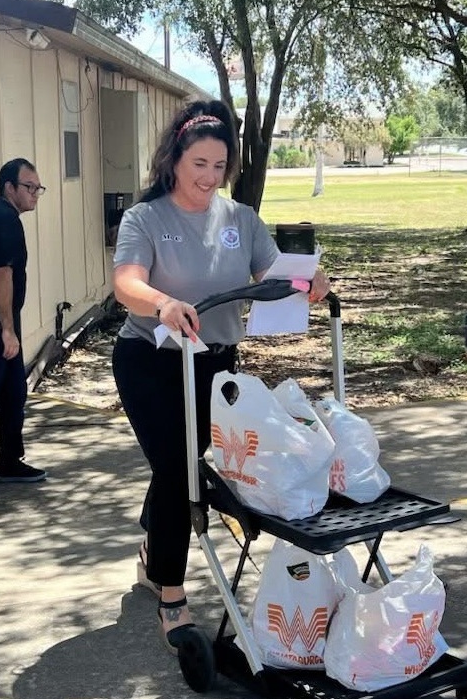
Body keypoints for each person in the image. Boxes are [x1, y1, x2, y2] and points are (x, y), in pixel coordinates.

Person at [111, 100, 330, 652]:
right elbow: (126, 284)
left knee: (177, 465)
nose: (209, 177)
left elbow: (276, 274)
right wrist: (161, 302)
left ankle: (150, 546)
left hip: (213, 363)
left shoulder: (240, 219)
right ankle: (172, 594)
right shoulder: (148, 218)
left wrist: (313, 279)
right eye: (199, 164)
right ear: (174, 160)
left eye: (218, 166)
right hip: (151, 358)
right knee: (179, 470)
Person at [0, 158, 48, 484]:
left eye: (38, 188)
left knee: (13, 392)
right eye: (29, 187)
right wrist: (7, 330)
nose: (35, 194)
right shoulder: (5, 220)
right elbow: (2, 275)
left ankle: (9, 459)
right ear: (9, 187)